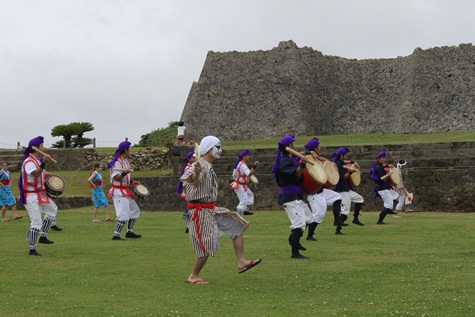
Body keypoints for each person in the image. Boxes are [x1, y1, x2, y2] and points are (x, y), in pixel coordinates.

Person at [180, 136, 261, 284]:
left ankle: (241, 261)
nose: (220, 150)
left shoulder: (209, 165)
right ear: (209, 149)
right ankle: (194, 276)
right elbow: (191, 179)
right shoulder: (198, 165)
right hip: (200, 211)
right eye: (217, 147)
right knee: (206, 245)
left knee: (237, 225)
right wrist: (197, 172)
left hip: (211, 208)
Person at [272, 134, 312, 259]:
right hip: (289, 197)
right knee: (298, 224)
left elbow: (298, 154)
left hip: (296, 195)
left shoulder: (291, 157)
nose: (294, 146)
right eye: (292, 144)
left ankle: (294, 240)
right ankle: (295, 252)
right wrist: (303, 165)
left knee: (308, 218)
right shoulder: (284, 161)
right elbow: (295, 172)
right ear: (289, 146)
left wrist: (309, 153)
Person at [18, 136, 58, 256]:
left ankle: (43, 236)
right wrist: (45, 162)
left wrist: (46, 175)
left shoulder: (36, 161)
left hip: (39, 193)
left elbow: (41, 174)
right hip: (31, 195)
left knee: (52, 210)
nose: (43, 147)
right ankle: (32, 248)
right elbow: (35, 174)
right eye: (42, 146)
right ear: (36, 148)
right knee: (36, 222)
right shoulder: (29, 162)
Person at [302, 138, 343, 241]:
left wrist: (331, 164)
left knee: (338, 197)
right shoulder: (307, 159)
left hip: (321, 191)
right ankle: (309, 235)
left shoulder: (317, 159)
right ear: (315, 148)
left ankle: (337, 220)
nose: (319, 148)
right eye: (318, 147)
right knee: (319, 214)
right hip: (313, 193)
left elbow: (325, 161)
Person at [108, 141, 142, 240]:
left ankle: (129, 232)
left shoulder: (126, 161)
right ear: (125, 150)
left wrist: (132, 181)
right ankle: (116, 234)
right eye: (129, 149)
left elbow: (125, 178)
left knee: (135, 210)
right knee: (123, 213)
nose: (130, 151)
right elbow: (116, 178)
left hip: (125, 190)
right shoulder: (117, 162)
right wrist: (124, 173)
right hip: (118, 192)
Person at [332, 147, 365, 234]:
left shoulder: (338, 162)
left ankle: (355, 219)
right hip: (342, 189)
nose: (346, 156)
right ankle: (338, 230)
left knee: (360, 199)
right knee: (345, 211)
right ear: (341, 155)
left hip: (345, 188)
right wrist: (351, 172)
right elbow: (343, 177)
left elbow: (344, 163)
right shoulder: (339, 164)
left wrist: (353, 162)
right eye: (345, 155)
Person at [370, 151, 399, 224]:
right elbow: (382, 178)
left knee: (395, 196)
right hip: (382, 188)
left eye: (385, 158)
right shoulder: (378, 168)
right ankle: (380, 220)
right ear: (379, 159)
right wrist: (388, 175)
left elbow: (383, 166)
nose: (384, 159)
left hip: (385, 187)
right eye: (383, 158)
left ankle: (389, 210)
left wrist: (388, 165)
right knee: (388, 205)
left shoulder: (379, 165)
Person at [230, 150, 259, 216]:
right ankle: (238, 216)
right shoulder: (242, 165)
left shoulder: (239, 163)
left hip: (240, 184)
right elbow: (249, 173)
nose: (249, 157)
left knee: (250, 195)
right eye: (248, 155)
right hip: (239, 186)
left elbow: (235, 175)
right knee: (243, 201)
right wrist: (254, 166)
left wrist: (244, 179)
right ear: (244, 156)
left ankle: (245, 210)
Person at [176, 151, 195, 232]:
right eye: (193, 158)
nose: (195, 159)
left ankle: (189, 226)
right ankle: (189, 226)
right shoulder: (188, 168)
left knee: (192, 208)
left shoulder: (192, 167)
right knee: (191, 207)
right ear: (189, 159)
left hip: (192, 190)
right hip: (188, 190)